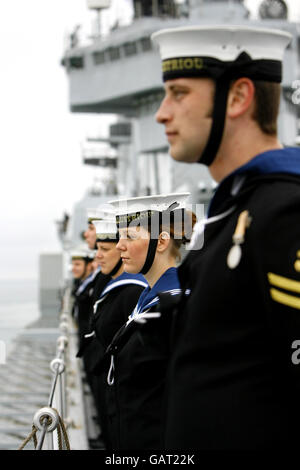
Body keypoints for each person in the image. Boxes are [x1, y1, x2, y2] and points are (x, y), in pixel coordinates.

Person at [152, 25, 300, 449]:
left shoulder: (283, 211)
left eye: (179, 93)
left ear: (237, 97)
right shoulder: (229, 214)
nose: (163, 113)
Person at [100, 193, 195, 449]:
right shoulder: (147, 298)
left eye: (129, 236)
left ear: (161, 241)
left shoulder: (176, 308)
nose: (119, 246)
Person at [82, 214, 148, 449]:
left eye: (105, 248)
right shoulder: (109, 282)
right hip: (113, 394)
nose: (97, 255)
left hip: (133, 409)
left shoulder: (133, 292)